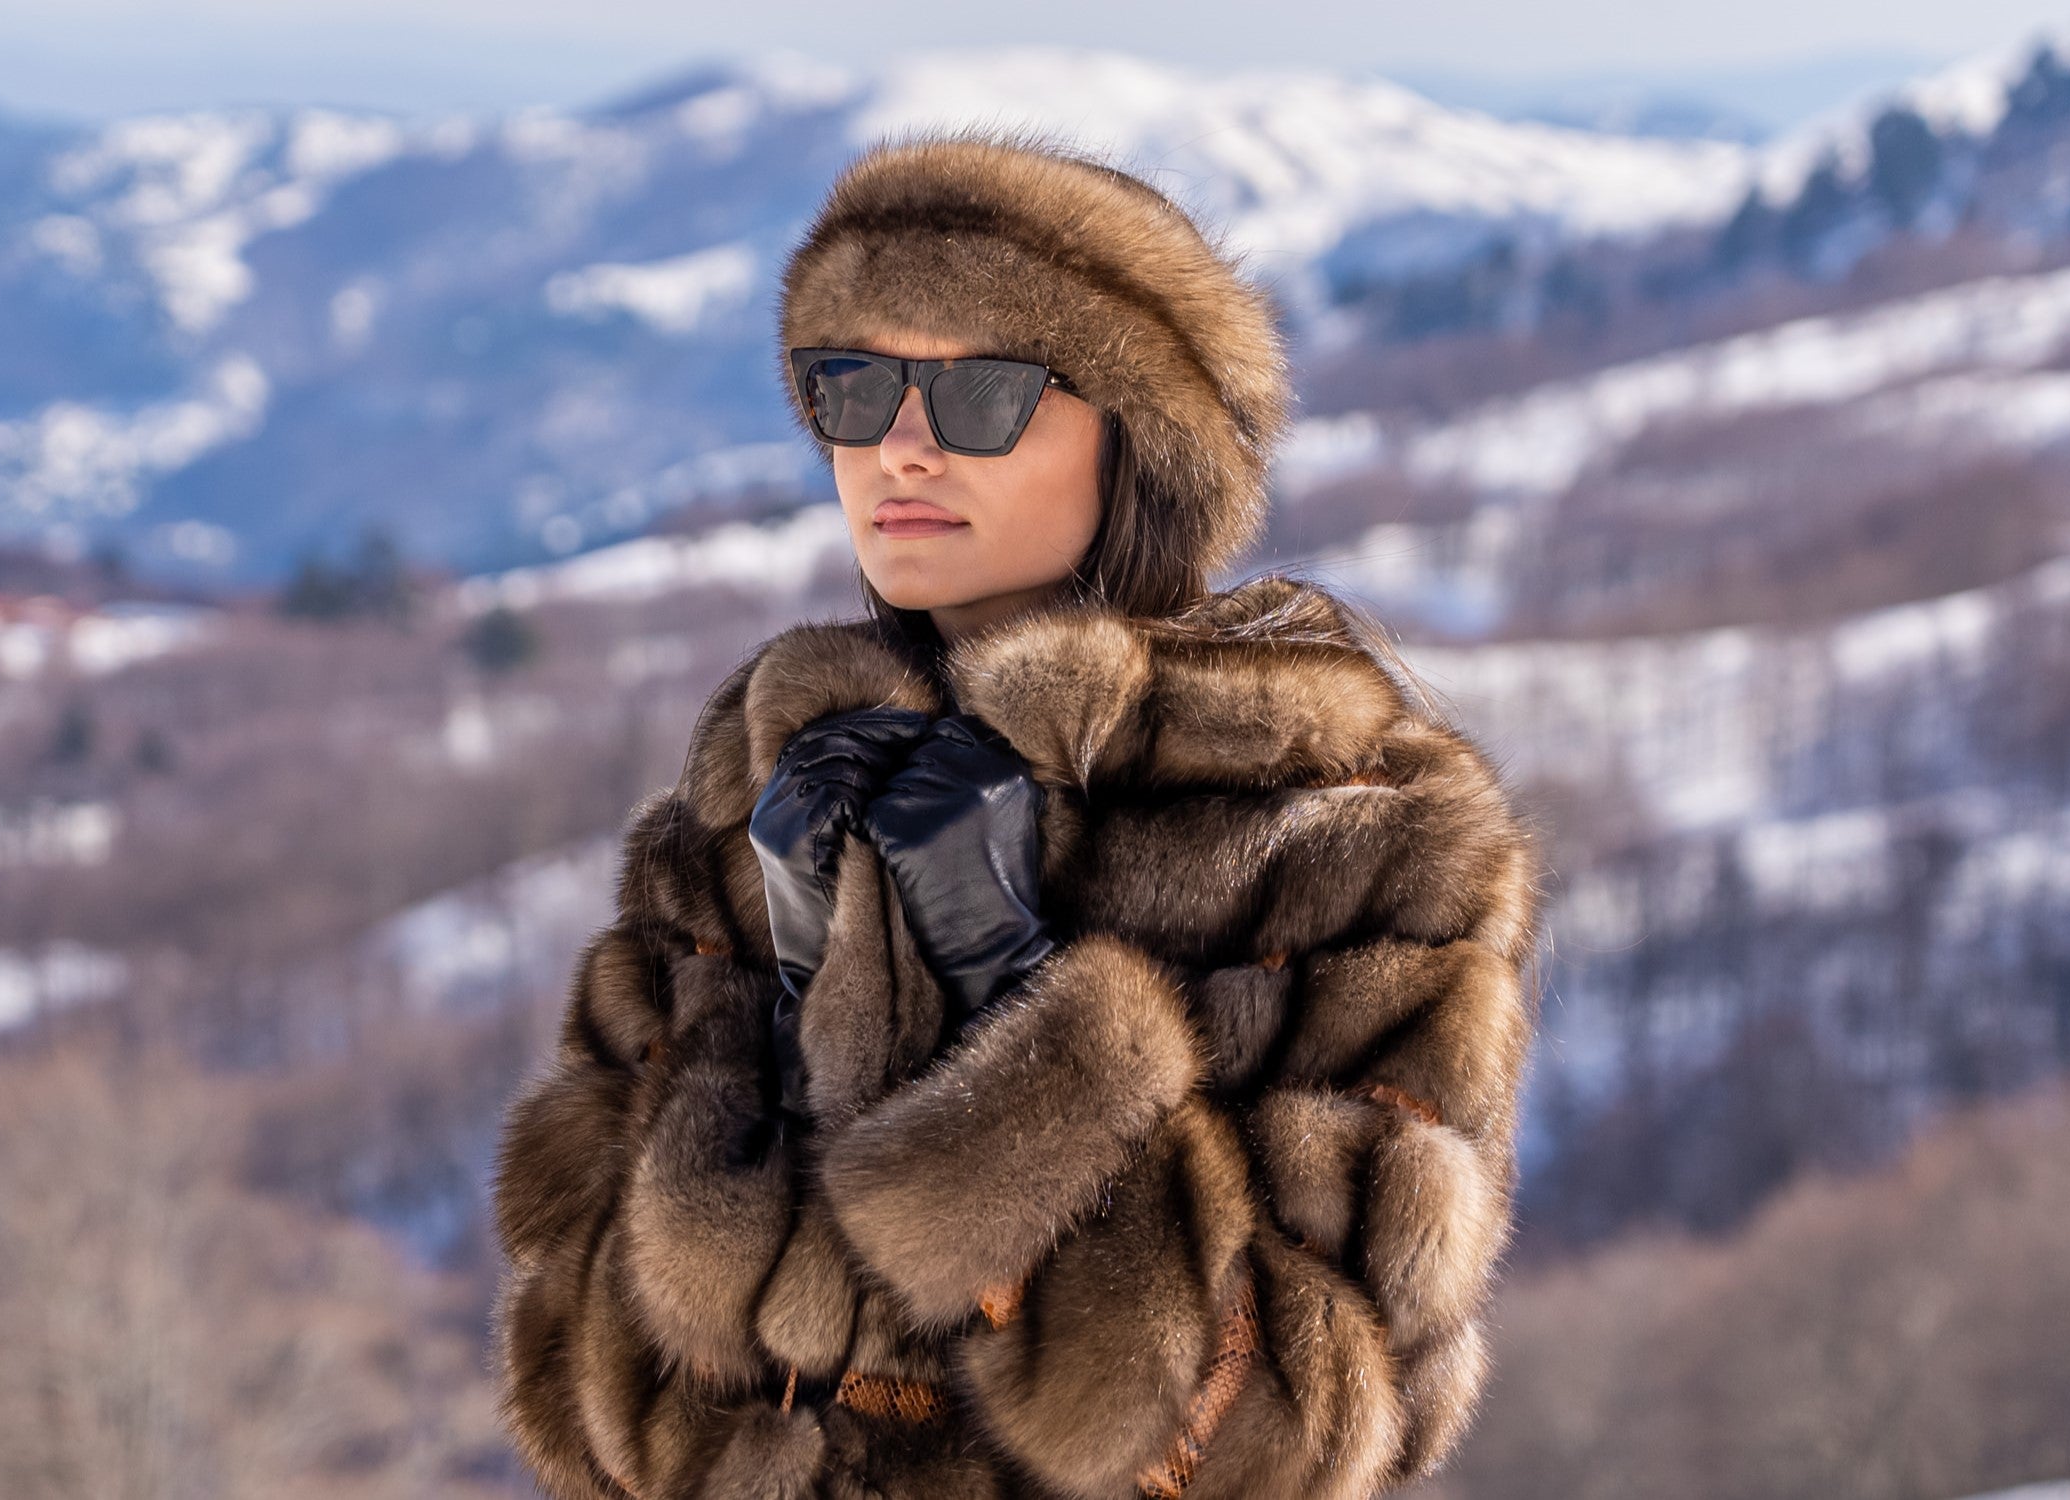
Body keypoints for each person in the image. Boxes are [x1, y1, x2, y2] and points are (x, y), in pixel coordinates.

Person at [488, 125, 1544, 1500]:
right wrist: (780, 1047)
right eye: (855, 386)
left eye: (982, 394)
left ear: (1143, 446)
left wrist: (1019, 1022)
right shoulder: (753, 807)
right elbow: (582, 1406)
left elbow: (1299, 1437)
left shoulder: (1353, 838)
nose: (901, 449)